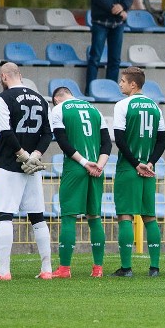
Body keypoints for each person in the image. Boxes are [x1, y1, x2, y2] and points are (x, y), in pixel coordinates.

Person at [0, 63, 52, 281]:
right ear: (20, 75)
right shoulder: (41, 99)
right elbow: (48, 133)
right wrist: (35, 155)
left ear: (4, 76)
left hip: (10, 164)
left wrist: (21, 154)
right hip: (33, 166)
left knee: (4, 214)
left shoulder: (4, 98)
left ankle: (3, 271)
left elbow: (6, 132)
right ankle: (47, 269)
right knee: (37, 216)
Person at [50, 86, 111, 278]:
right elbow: (107, 143)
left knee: (69, 216)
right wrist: (98, 166)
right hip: (96, 169)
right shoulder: (95, 110)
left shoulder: (59, 109)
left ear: (57, 99)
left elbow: (63, 142)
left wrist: (85, 163)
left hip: (76, 167)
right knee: (94, 217)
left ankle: (64, 268)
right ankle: (98, 268)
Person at [111, 67, 165, 277]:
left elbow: (120, 139)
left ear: (133, 84)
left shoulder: (122, 105)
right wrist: (150, 162)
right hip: (148, 169)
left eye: (123, 81)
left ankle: (126, 268)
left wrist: (135, 163)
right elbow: (161, 140)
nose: (120, 84)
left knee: (125, 215)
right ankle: (154, 267)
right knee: (149, 217)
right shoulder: (155, 107)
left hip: (129, 167)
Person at [87, 0, 132, 89]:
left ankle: (111, 90)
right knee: (95, 58)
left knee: (115, 60)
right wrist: (114, 8)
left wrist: (123, 7)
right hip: (100, 22)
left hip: (117, 24)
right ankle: (90, 90)